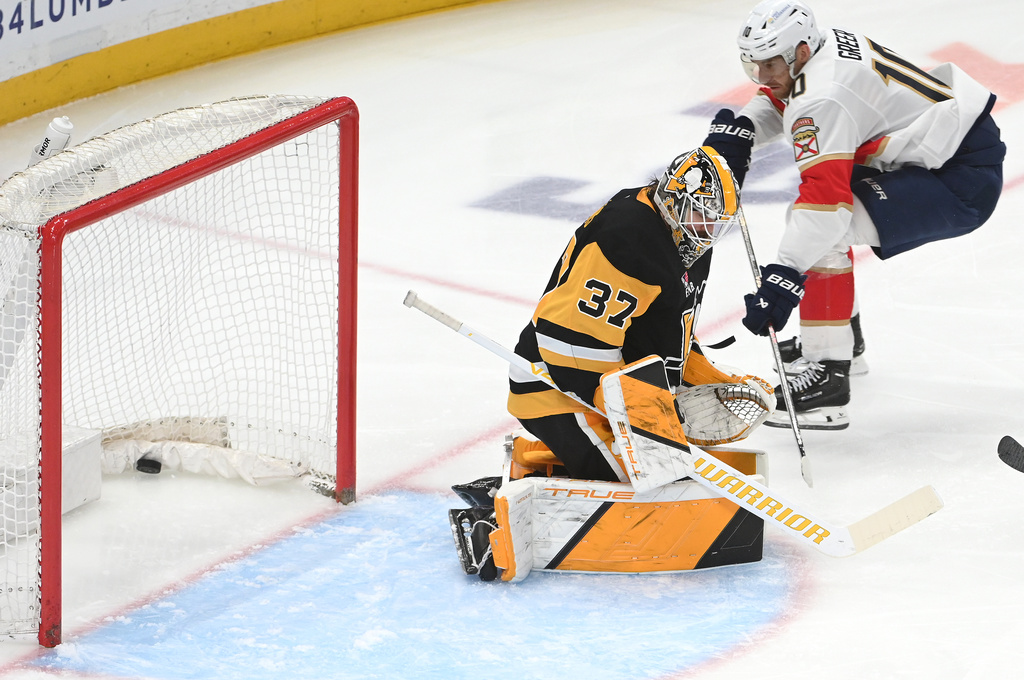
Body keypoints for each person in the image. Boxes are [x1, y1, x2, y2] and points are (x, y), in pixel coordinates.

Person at [449, 147, 776, 580]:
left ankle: (532, 465)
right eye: (702, 216)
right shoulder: (628, 238)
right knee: (646, 484)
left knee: (666, 471)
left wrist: (710, 378)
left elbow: (668, 329)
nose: (709, 231)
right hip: (555, 388)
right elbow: (567, 345)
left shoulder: (684, 236)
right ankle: (493, 520)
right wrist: (641, 414)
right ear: (674, 198)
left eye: (718, 222)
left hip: (615, 385)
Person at [703, 0, 1006, 430]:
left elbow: (825, 203)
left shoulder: (823, 99)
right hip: (943, 152)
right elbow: (781, 95)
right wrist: (744, 129)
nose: (763, 78)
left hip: (959, 180)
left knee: (826, 229)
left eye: (771, 64)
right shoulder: (821, 47)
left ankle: (829, 376)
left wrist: (784, 274)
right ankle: (844, 340)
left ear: (801, 53)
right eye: (755, 65)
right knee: (821, 225)